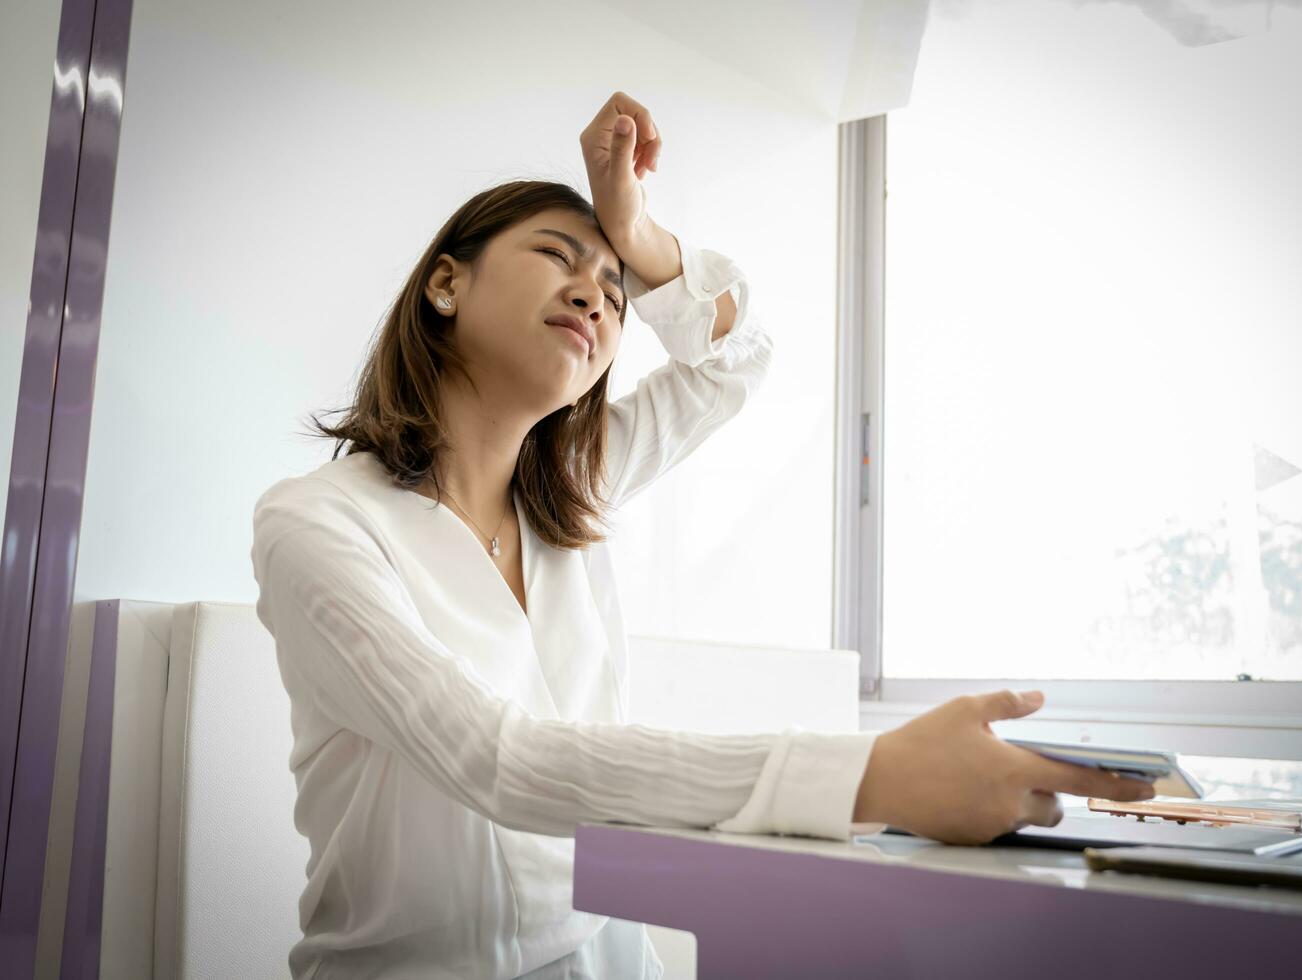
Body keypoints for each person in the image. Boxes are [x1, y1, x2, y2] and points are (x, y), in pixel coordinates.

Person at [250, 91, 1155, 980]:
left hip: (607, 958)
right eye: (557, 257)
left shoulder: (572, 490)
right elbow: (498, 760)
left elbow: (736, 358)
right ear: (446, 282)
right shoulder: (317, 522)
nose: (595, 298)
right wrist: (866, 774)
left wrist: (636, 234)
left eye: (613, 289)